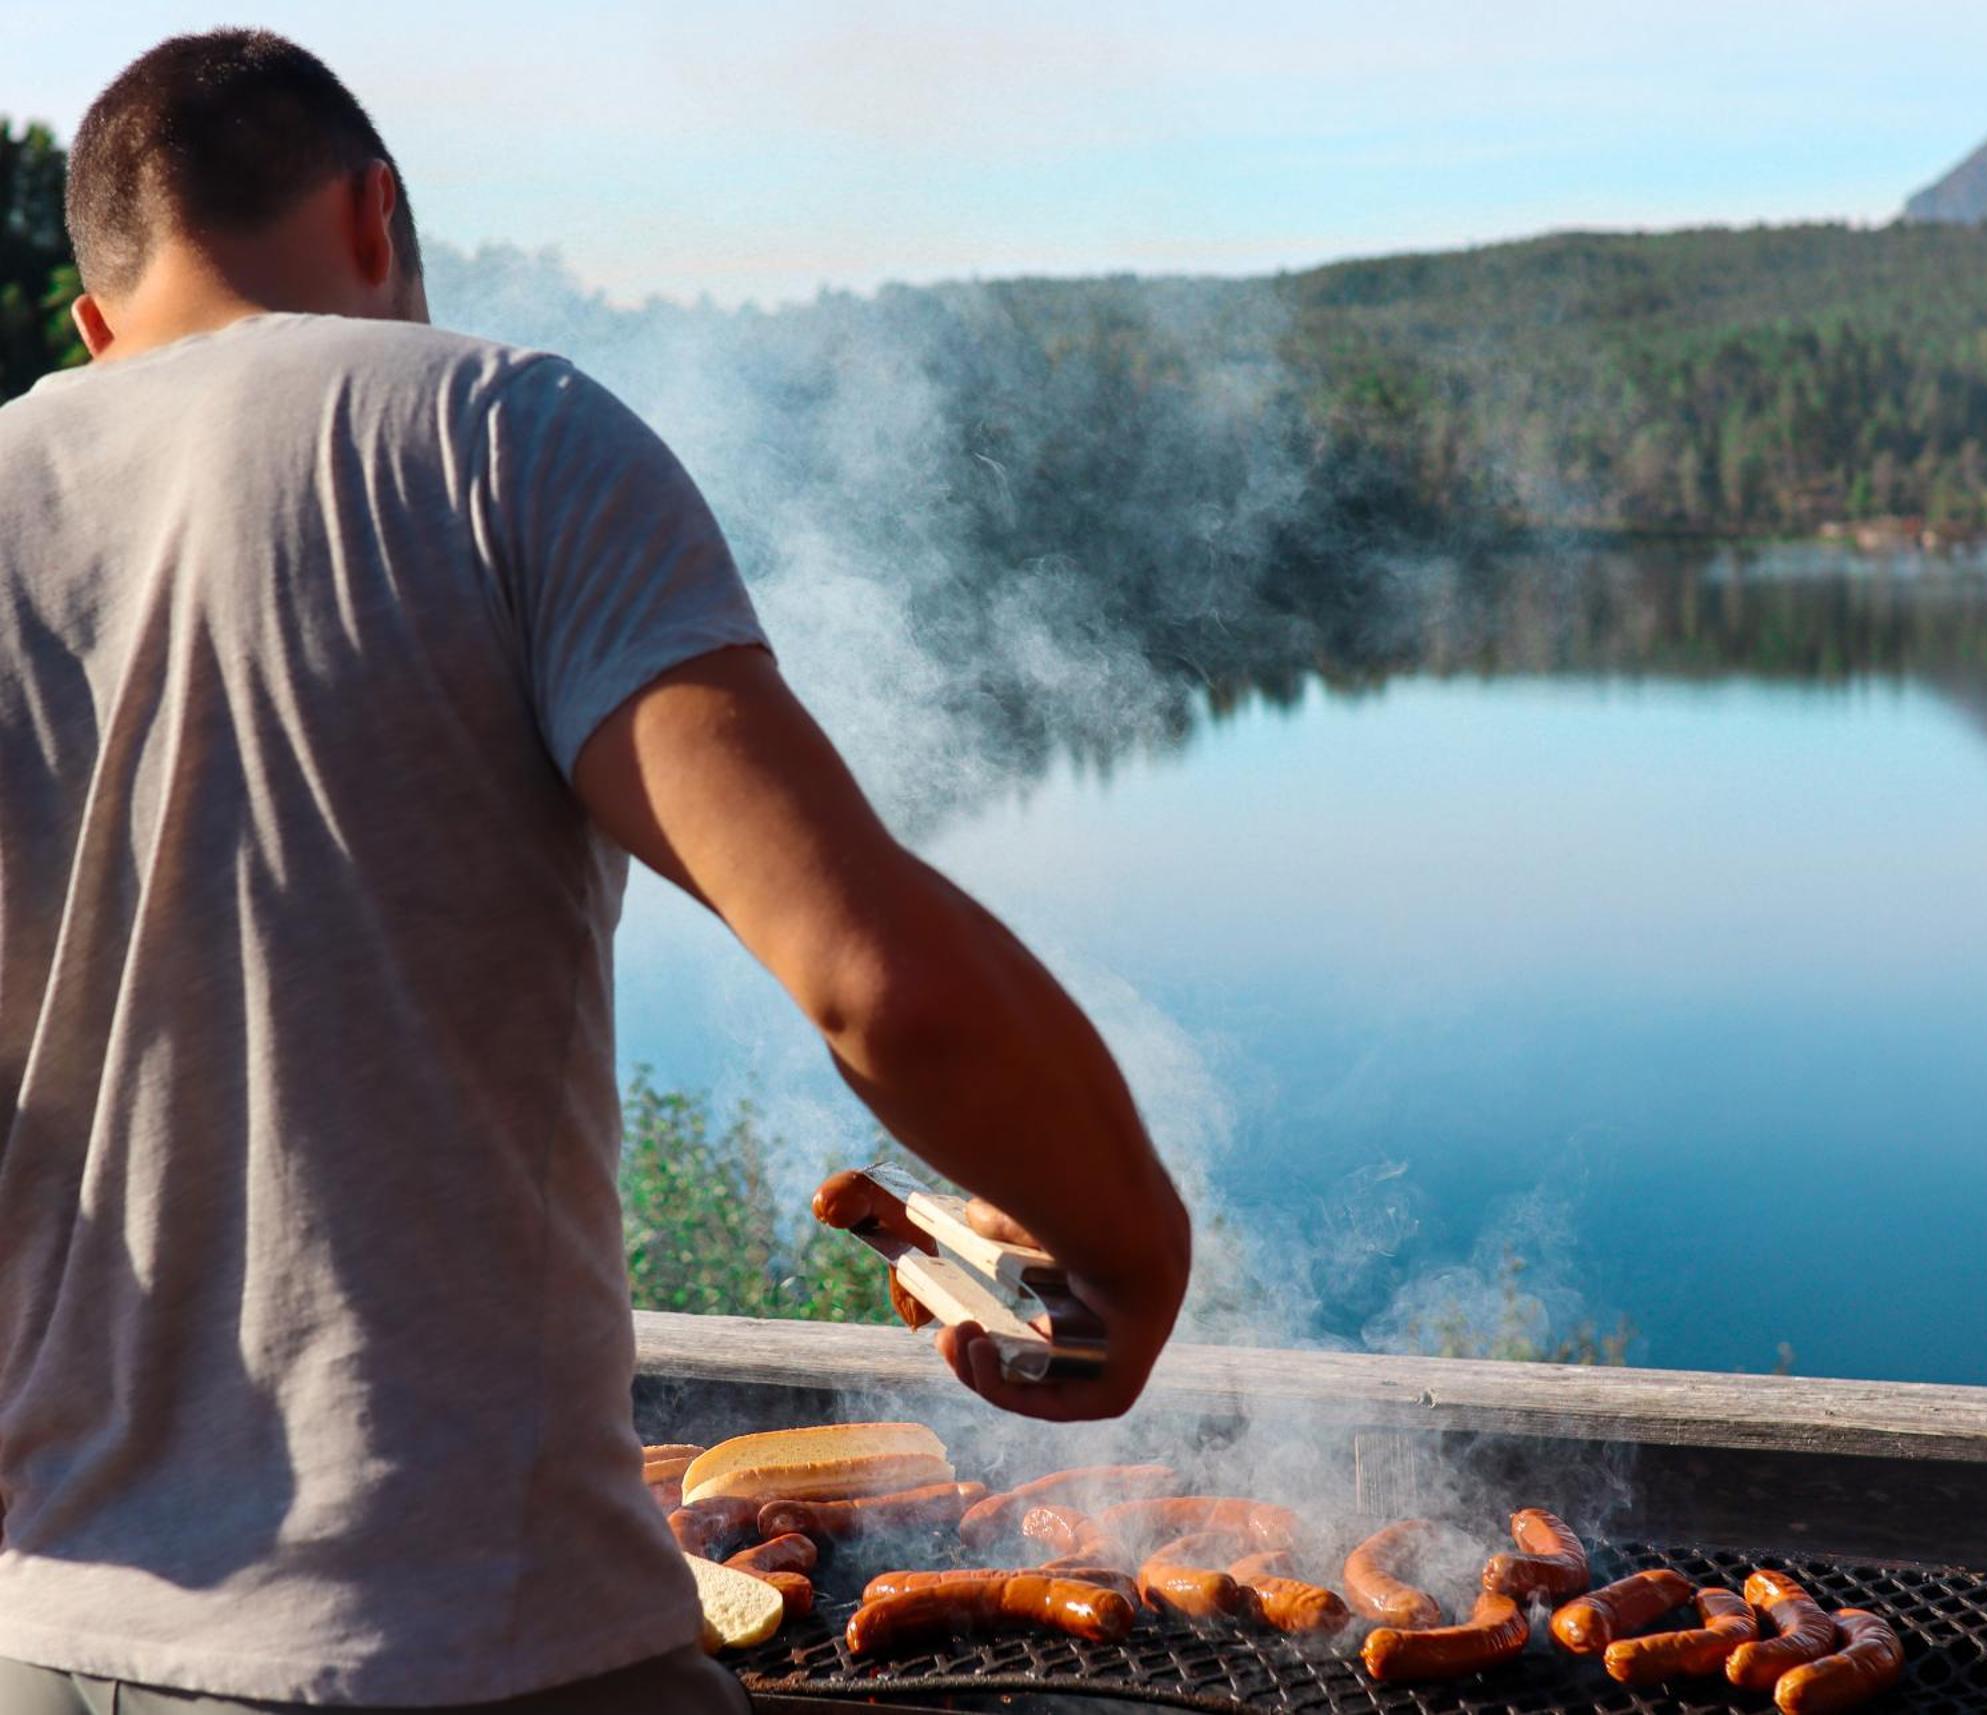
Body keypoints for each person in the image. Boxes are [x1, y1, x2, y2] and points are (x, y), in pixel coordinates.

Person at [0, 27, 1191, 1715]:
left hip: (51, 1642)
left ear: (97, 326)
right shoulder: (496, 431)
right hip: (472, 1647)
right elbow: (875, 975)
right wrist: (1132, 1254)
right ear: (376, 218)